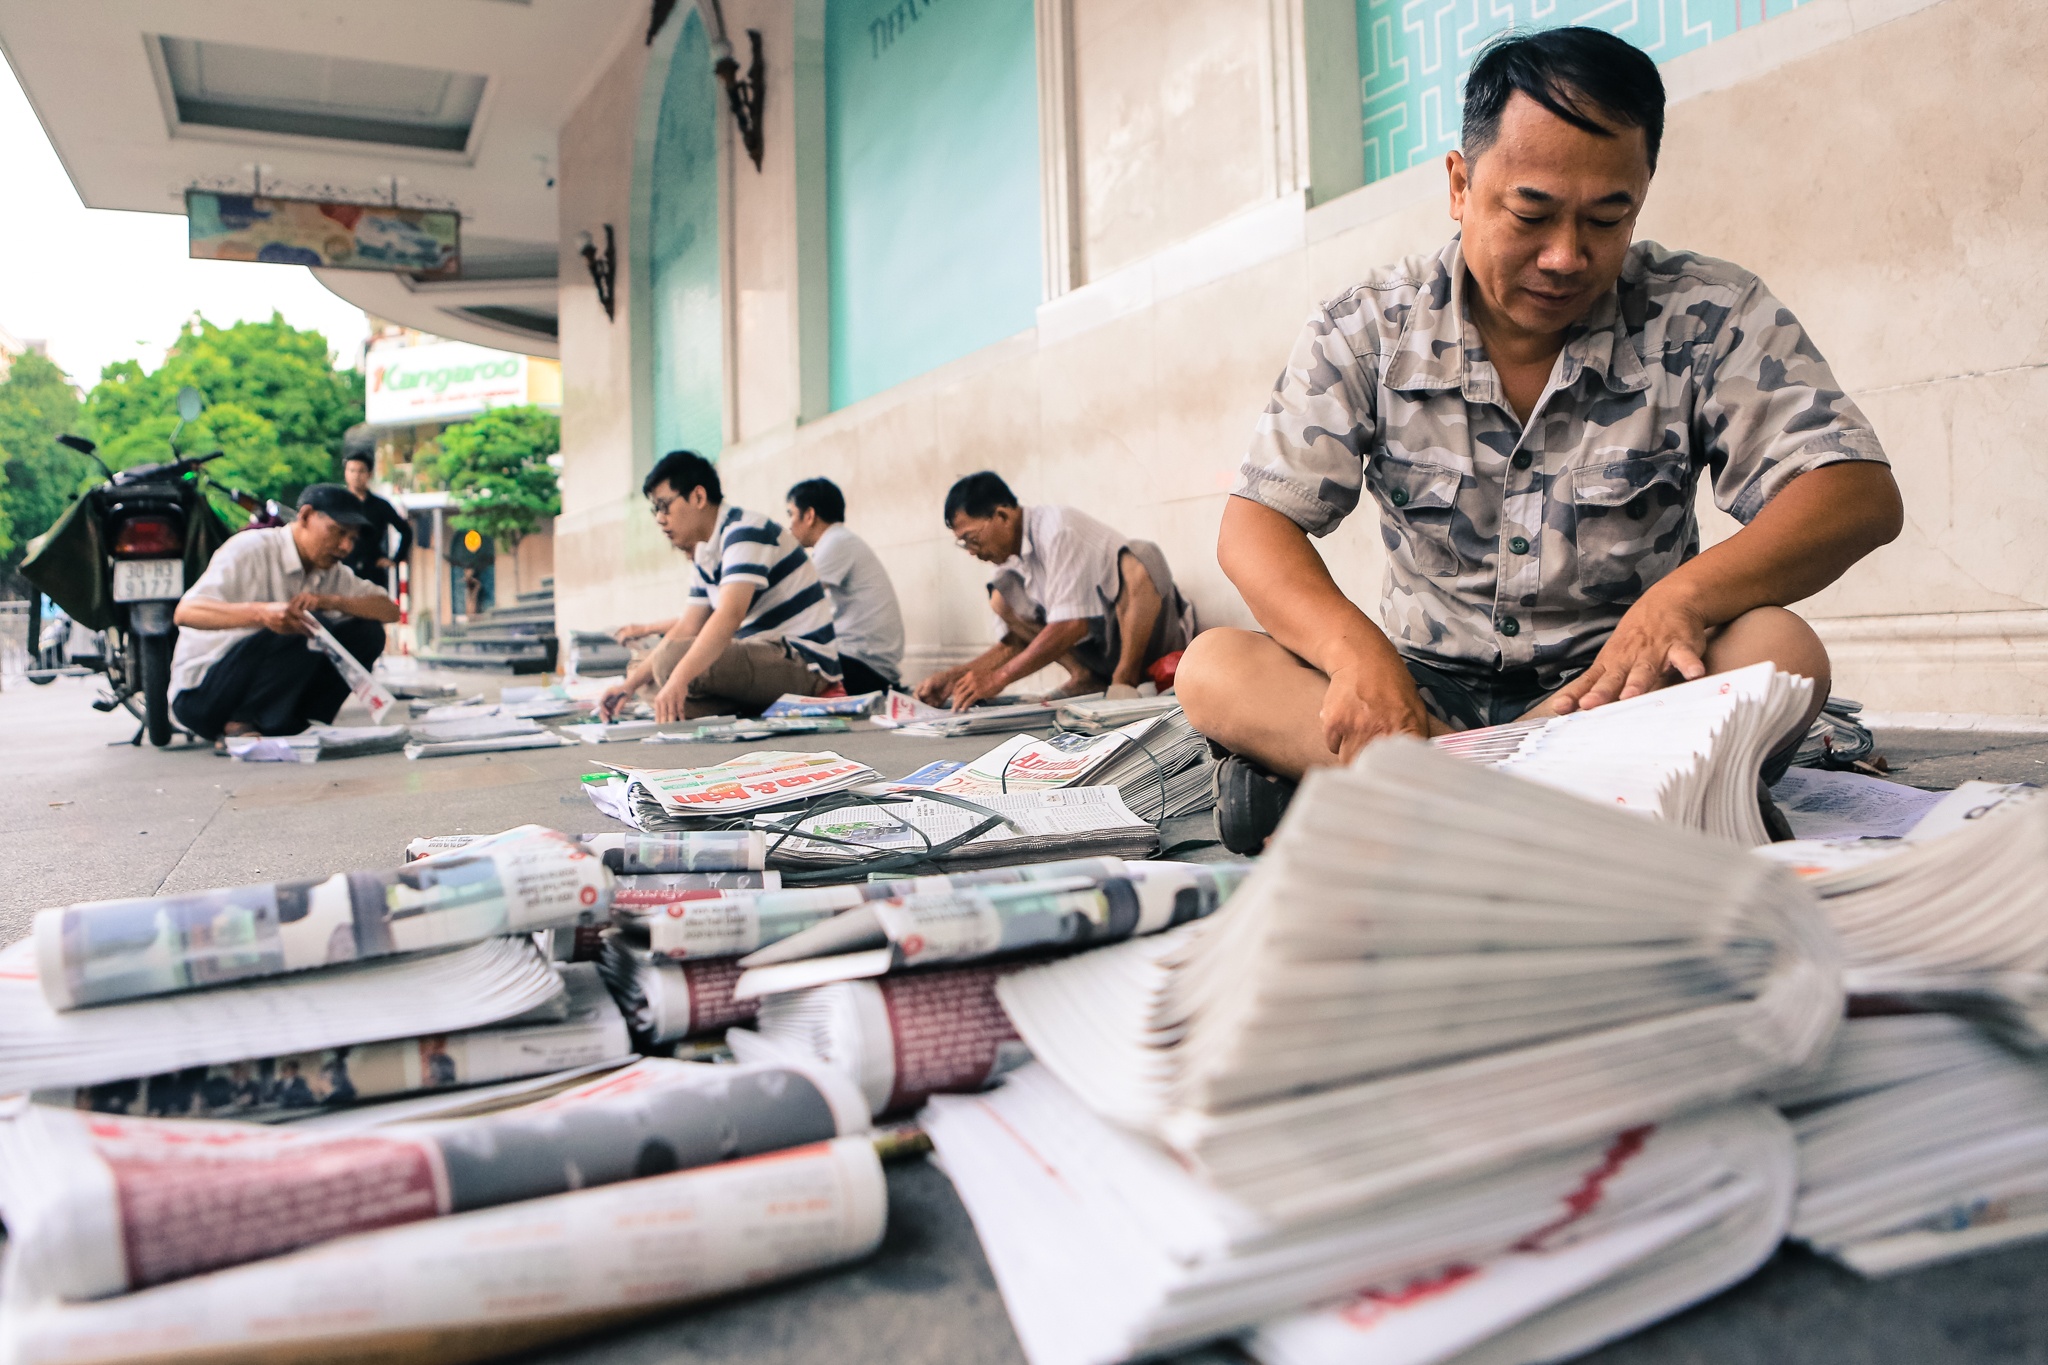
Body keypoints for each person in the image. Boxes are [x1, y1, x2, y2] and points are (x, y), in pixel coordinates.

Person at [1175, 27, 1904, 854]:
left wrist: (1682, 601)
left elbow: (1855, 493)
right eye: (1531, 212)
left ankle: (1414, 800)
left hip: (1620, 691)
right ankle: (1618, 803)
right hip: (1422, 697)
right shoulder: (1369, 327)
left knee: (1782, 653)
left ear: (1642, 193)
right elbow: (1255, 524)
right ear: (1460, 184)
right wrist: (1355, 656)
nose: (1566, 256)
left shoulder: (1703, 312)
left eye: (1606, 217)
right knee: (1213, 667)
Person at [916, 472, 1196, 710]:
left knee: (1141, 555)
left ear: (1001, 515)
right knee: (1002, 599)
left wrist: (999, 678)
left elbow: (1072, 625)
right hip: (1099, 650)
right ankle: (1084, 676)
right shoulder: (1009, 566)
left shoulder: (1058, 529)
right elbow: (1014, 643)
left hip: (1153, 640)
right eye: (964, 544)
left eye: (972, 540)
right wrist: (954, 678)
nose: (972, 552)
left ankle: (1125, 680)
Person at [602, 450, 841, 721]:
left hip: (802, 663)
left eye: (664, 505)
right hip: (756, 658)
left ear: (699, 497)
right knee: (644, 673)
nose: (659, 518)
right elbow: (686, 627)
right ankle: (752, 707)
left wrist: (678, 677)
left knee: (670, 661)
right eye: (655, 509)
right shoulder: (705, 554)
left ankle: (776, 700)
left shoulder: (745, 530)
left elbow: (729, 615)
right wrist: (627, 687)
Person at [170, 485, 400, 748]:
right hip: (203, 697)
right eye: (338, 532)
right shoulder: (250, 549)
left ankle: (303, 720)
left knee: (367, 632)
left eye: (352, 538)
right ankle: (239, 722)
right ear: (305, 516)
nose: (345, 546)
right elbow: (185, 613)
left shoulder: (332, 572)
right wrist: (261, 613)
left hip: (259, 686)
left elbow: (389, 610)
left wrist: (331, 601)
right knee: (306, 625)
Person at [784, 477, 906, 696]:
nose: (789, 525)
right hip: (863, 663)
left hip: (863, 667)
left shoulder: (835, 542)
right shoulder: (839, 541)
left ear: (809, 515)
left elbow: (796, 602)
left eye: (791, 514)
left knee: (772, 668)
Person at [338, 429, 413, 591]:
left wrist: (394, 559)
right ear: (345, 473)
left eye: (361, 471)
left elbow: (405, 531)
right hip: (343, 568)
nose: (356, 475)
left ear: (369, 474)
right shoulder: (338, 503)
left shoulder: (381, 505)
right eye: (351, 470)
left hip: (372, 570)